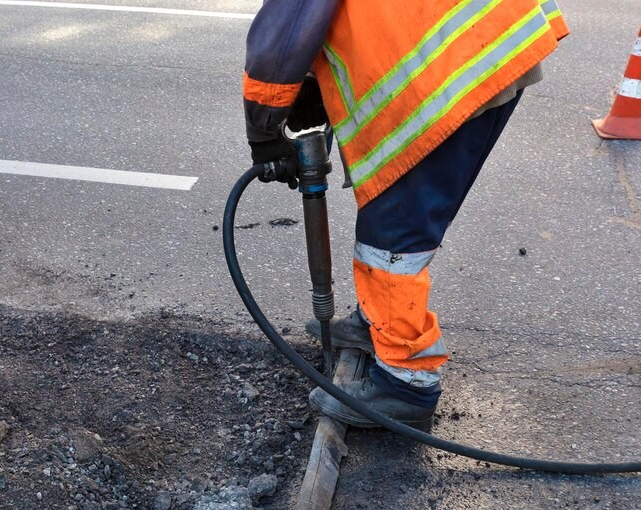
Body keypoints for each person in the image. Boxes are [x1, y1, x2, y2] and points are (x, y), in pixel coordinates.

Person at [243, 0, 568, 430]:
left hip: (448, 67)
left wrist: (264, 127)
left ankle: (405, 384)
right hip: (485, 43)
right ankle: (379, 322)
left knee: (393, 232)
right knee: (403, 215)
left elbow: (286, 29)